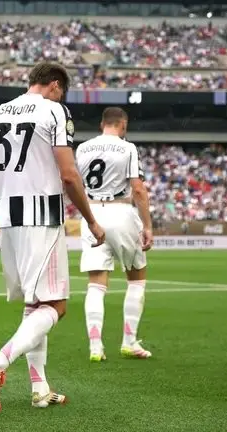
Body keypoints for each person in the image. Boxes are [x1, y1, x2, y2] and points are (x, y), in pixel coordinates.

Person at [0, 62, 105, 413]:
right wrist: (91, 220)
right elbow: (69, 175)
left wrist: (14, 173)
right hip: (41, 216)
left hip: (7, 218)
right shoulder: (54, 111)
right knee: (56, 305)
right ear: (55, 85)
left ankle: (40, 388)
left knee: (35, 304)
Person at [75, 107, 153, 361]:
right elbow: (138, 189)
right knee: (136, 278)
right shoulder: (127, 148)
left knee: (96, 284)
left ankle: (95, 347)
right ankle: (129, 341)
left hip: (92, 213)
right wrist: (148, 225)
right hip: (121, 211)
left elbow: (74, 183)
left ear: (102, 124)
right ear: (123, 124)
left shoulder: (82, 148)